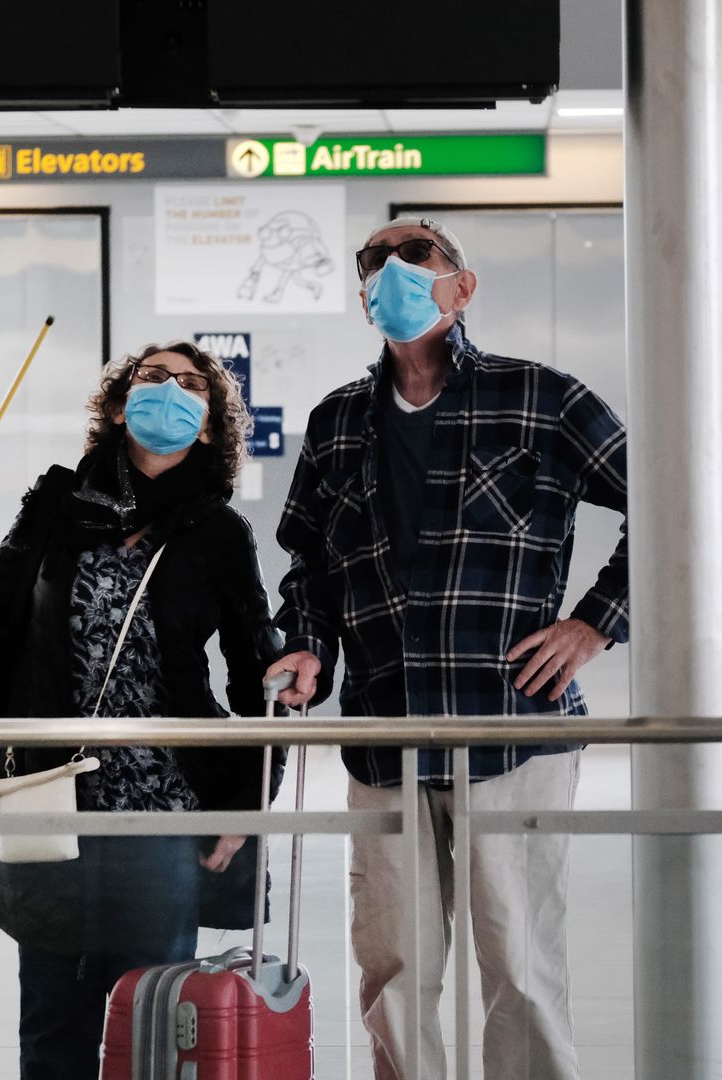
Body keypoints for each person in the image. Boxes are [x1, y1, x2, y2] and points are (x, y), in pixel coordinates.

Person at [0, 342, 282, 1080]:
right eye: (153, 376)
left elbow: (257, 669)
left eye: (190, 385)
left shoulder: (218, 533)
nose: (170, 388)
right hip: (51, 800)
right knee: (52, 1029)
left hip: (161, 813)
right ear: (122, 405)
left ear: (204, 426)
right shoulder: (58, 508)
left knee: (155, 1025)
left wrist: (245, 800)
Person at [268, 218, 630, 1080]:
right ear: (362, 298)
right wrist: (311, 645)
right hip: (383, 735)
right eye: (372, 264)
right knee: (393, 967)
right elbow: (308, 562)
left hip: (511, 728)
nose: (389, 271)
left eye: (414, 256)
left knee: (520, 965)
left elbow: (672, 496)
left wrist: (594, 621)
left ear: (462, 288)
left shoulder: (540, 397)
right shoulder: (338, 421)